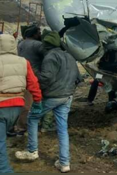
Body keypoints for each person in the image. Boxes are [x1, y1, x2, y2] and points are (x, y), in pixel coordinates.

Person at [16, 31, 81, 173]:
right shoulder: (69, 56)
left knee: (32, 118)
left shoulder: (50, 56)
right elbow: (78, 78)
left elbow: (45, 78)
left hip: (53, 96)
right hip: (67, 96)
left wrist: (34, 73)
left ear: (46, 44)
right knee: (62, 128)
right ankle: (64, 163)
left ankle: (32, 151)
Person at [0, 34, 42, 173]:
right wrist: (37, 101)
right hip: (17, 106)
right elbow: (33, 83)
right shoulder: (23, 62)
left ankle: (6, 171)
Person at [12, 24, 47, 135]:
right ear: (34, 34)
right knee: (29, 103)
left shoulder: (21, 43)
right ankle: (22, 127)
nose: (40, 34)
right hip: (32, 77)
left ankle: (16, 125)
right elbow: (49, 55)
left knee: (21, 102)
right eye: (39, 32)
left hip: (20, 76)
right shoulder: (37, 45)